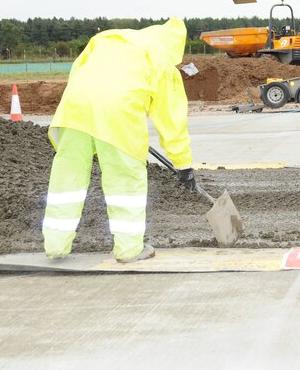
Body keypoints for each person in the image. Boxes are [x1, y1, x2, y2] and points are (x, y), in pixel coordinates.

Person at [42, 18, 193, 263]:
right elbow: (171, 120)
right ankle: (129, 249)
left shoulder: (106, 39)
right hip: (118, 114)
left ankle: (55, 245)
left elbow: (78, 72)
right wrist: (183, 163)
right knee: (124, 181)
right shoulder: (161, 60)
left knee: (67, 178)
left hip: (74, 109)